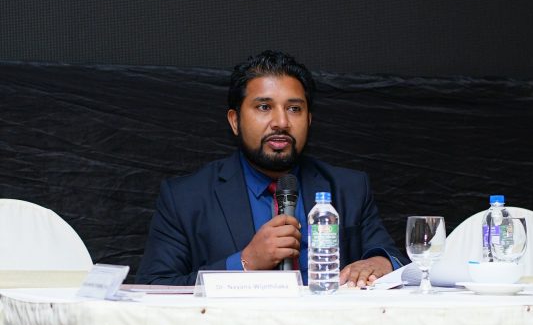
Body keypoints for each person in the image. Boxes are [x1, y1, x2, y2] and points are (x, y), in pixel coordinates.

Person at [136, 50, 407, 286]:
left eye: (294, 109)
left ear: (309, 120)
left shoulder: (349, 188)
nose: (281, 122)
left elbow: (392, 257)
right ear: (234, 121)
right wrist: (245, 263)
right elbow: (154, 285)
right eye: (264, 106)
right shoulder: (185, 197)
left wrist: (380, 263)